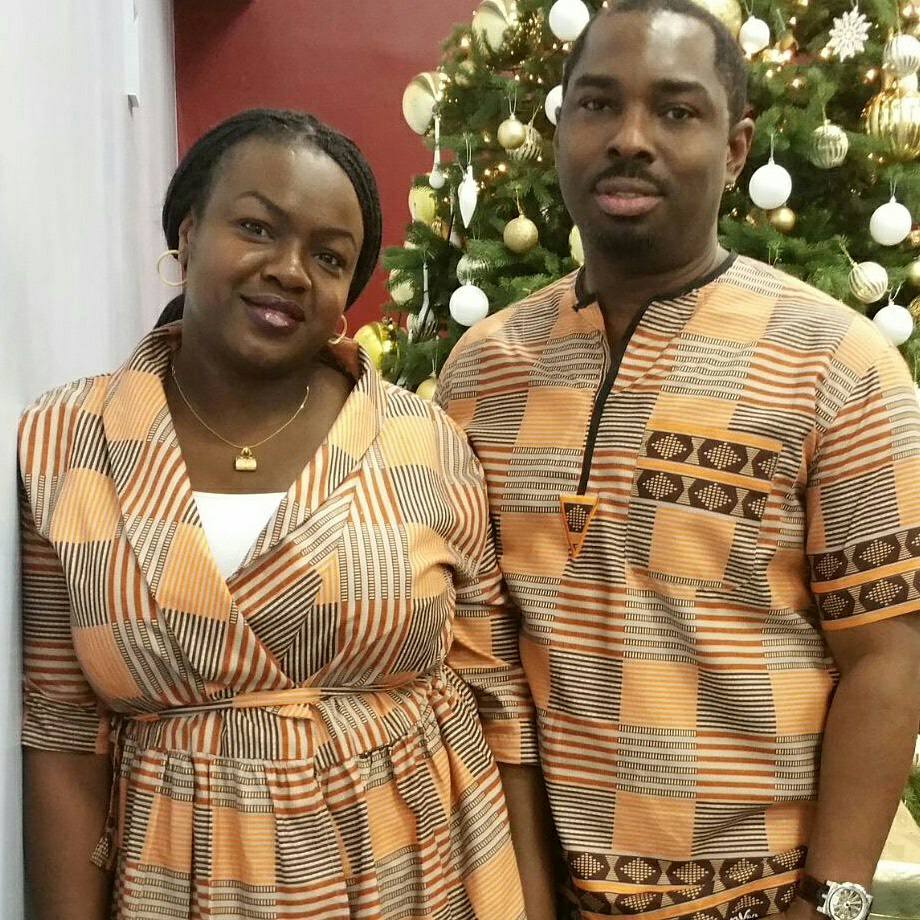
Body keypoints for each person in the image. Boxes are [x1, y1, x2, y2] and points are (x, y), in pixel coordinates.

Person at [437, 3, 920, 920]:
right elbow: (484, 660)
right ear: (560, 129)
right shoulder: (483, 371)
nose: (630, 138)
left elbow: (887, 660)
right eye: (597, 105)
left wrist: (831, 903)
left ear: (736, 149)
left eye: (676, 110)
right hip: (534, 890)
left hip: (767, 897)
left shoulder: (838, 364)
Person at [20, 108, 536, 920]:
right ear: (188, 234)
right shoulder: (64, 443)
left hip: (415, 871)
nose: (291, 271)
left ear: (345, 295)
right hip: (183, 880)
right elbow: (61, 729)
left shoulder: (424, 441)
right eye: (257, 227)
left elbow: (495, 694)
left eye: (329, 257)